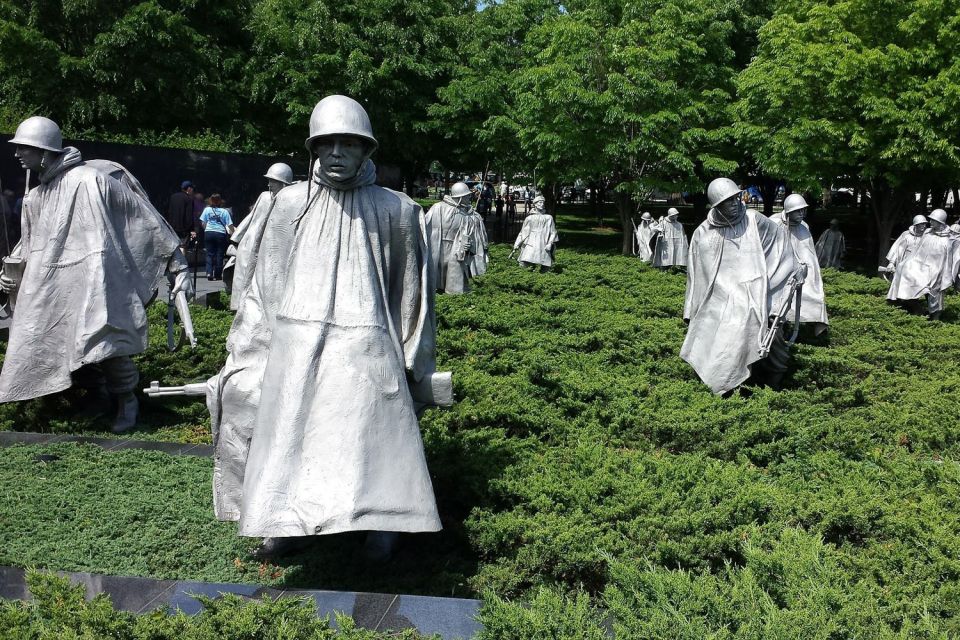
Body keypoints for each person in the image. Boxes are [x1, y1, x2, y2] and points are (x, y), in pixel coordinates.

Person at [211, 95, 448, 559]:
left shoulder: (397, 209)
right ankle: (282, 520)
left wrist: (410, 357)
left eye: (348, 143)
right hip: (297, 342)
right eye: (327, 143)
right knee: (290, 433)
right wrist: (251, 349)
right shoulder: (289, 204)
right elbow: (267, 283)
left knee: (370, 434)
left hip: (367, 342)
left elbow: (411, 292)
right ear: (314, 149)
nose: (337, 152)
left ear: (365, 150)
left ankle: (384, 518)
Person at [0, 116, 192, 432]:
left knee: (104, 339)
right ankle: (94, 396)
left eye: (24, 147)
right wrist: (11, 274)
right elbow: (30, 242)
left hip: (95, 275)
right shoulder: (34, 197)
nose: (18, 153)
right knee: (55, 340)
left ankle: (126, 400)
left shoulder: (89, 180)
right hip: (51, 283)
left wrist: (177, 262)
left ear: (44, 150)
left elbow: (141, 216)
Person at [681, 177, 803, 394]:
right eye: (728, 202)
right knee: (718, 328)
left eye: (737, 198)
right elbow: (696, 275)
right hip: (719, 298)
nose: (735, 204)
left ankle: (772, 386)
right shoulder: (703, 233)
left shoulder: (754, 220)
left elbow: (781, 246)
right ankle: (723, 385)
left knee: (768, 330)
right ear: (716, 206)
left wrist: (785, 280)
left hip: (756, 291)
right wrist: (692, 309)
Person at [228, 162, 293, 310]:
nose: (269, 185)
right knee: (247, 278)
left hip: (274, 249)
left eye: (273, 181)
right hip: (252, 245)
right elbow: (251, 218)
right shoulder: (264, 197)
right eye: (269, 181)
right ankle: (243, 308)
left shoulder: (290, 200)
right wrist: (236, 239)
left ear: (283, 183)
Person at [770, 194, 829, 334]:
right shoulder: (774, 223)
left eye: (803, 210)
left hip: (801, 273)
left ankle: (813, 327)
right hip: (779, 272)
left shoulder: (804, 227)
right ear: (789, 211)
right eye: (798, 210)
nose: (801, 213)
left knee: (814, 294)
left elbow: (810, 257)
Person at [883, 209, 956, 319]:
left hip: (938, 271)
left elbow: (952, 259)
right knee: (905, 274)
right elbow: (916, 253)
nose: (929, 222)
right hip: (922, 269)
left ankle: (935, 320)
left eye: (933, 220)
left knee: (934, 295)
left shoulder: (949, 239)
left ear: (940, 222)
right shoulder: (927, 234)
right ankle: (914, 308)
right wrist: (901, 264)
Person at [425, 182, 476, 294]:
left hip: (456, 249)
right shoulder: (438, 207)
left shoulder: (466, 214)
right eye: (467, 196)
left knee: (453, 275)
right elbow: (426, 226)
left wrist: (468, 245)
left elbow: (469, 235)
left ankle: (451, 295)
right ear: (460, 197)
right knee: (437, 272)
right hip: (438, 246)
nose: (469, 197)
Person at [513, 195, 559, 270]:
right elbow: (523, 233)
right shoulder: (529, 218)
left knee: (546, 266)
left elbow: (553, 232)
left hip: (543, 244)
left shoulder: (549, 218)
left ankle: (544, 280)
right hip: (531, 244)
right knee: (524, 262)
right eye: (540, 202)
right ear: (535, 204)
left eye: (543, 203)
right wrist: (517, 244)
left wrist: (550, 244)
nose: (542, 204)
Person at [199, 194, 233, 280]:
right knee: (219, 254)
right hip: (220, 233)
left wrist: (206, 230)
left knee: (209, 254)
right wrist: (233, 234)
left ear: (211, 201)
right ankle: (217, 274)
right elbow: (230, 225)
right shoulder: (224, 211)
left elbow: (203, 223)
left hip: (209, 233)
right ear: (220, 201)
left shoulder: (207, 210)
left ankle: (209, 273)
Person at [167, 180, 197, 245]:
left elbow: (169, 211)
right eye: (192, 188)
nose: (193, 190)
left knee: (173, 246)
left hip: (172, 226)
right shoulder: (189, 199)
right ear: (189, 188)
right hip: (184, 229)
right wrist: (191, 229)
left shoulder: (173, 197)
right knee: (182, 247)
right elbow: (189, 216)